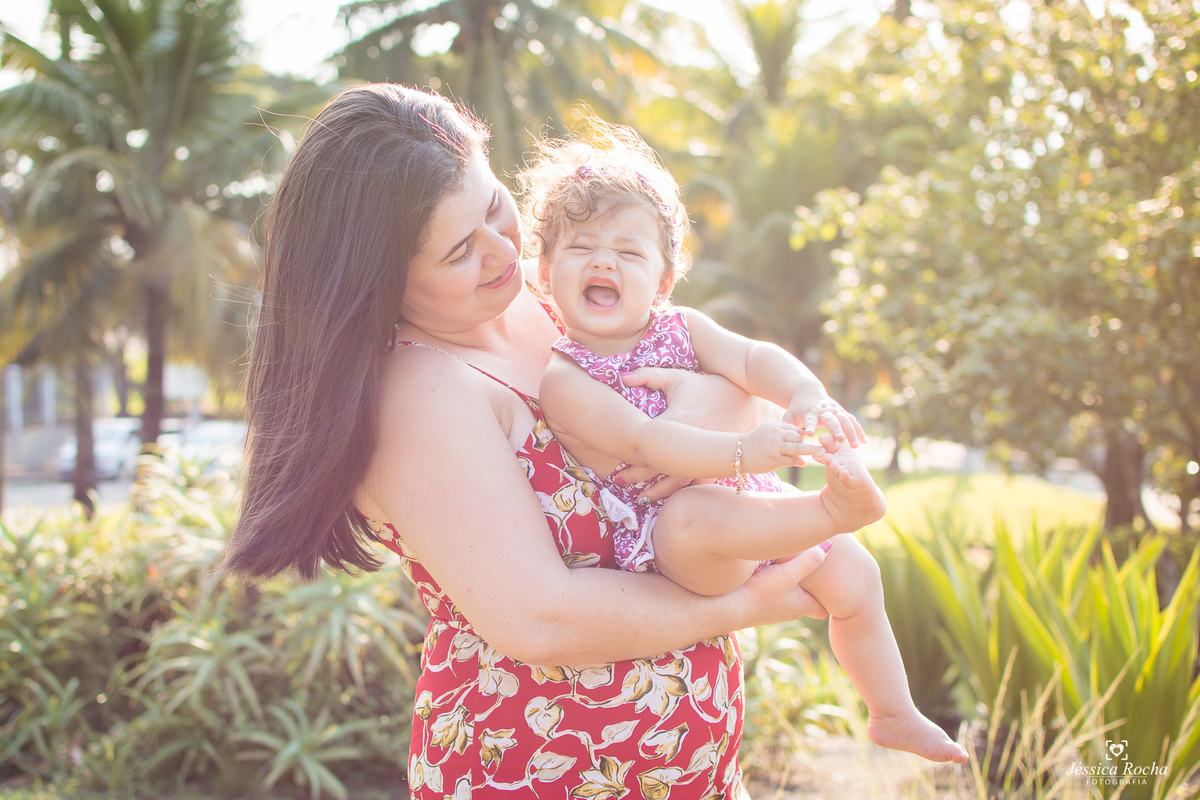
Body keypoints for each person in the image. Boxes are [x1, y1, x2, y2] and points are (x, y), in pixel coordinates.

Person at [224, 83, 861, 798]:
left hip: (691, 768)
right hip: (535, 770)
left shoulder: (548, 291)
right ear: (381, 283)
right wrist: (744, 606)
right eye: (460, 250)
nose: (503, 251)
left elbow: (716, 367)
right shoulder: (421, 393)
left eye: (496, 207)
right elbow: (544, 619)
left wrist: (712, 419)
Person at [521, 119, 969, 765]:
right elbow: (645, 441)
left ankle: (893, 712)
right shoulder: (565, 377)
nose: (603, 261)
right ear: (545, 272)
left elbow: (755, 360)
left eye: (629, 251)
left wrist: (806, 396)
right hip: (662, 536)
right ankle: (831, 511)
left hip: (745, 495)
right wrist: (747, 451)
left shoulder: (685, 326)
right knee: (695, 514)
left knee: (853, 573)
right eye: (582, 246)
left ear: (664, 279)